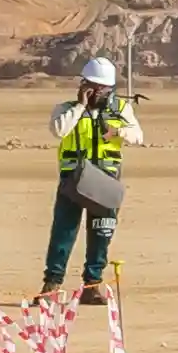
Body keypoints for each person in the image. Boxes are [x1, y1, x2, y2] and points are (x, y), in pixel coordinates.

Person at [42, 55, 141, 303]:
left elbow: (138, 136)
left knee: (101, 233)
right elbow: (59, 130)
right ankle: (51, 285)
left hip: (105, 180)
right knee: (63, 232)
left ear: (109, 88)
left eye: (100, 87)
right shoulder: (66, 109)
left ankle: (92, 285)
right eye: (90, 85)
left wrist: (117, 131)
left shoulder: (121, 110)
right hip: (73, 179)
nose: (95, 91)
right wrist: (79, 107)